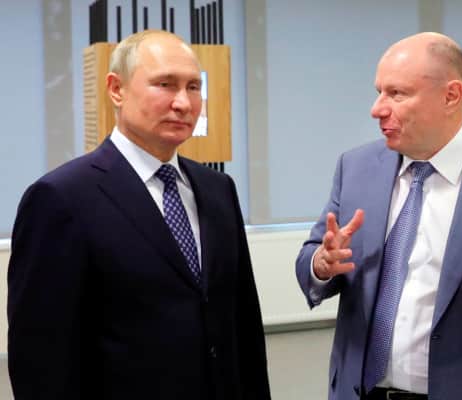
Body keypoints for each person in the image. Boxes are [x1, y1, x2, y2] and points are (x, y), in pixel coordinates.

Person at [8, 30, 270, 399]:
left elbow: (243, 324)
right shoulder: (62, 198)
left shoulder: (218, 189)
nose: (183, 102)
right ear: (116, 89)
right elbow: (41, 358)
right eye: (165, 84)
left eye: (194, 87)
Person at [295, 32, 462, 400]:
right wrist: (321, 263)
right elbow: (312, 259)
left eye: (397, 94)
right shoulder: (355, 167)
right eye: (379, 91)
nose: (377, 109)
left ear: (451, 95)